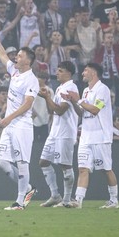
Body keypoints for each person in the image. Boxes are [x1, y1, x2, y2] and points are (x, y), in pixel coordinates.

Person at [0, 21, 39, 211]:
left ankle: (20, 202)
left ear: (28, 61)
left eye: (20, 55)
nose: (16, 57)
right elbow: (0, 53)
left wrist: (9, 117)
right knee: (2, 162)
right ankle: (28, 189)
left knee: (22, 163)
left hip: (21, 126)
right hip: (9, 126)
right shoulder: (15, 71)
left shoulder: (32, 79)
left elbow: (28, 104)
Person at [63, 62, 119, 209]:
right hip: (86, 136)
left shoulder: (103, 90)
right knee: (82, 168)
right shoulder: (86, 91)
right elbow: (83, 113)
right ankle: (78, 201)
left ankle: (114, 200)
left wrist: (78, 100)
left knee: (105, 169)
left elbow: (95, 110)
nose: (82, 73)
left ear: (93, 73)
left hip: (101, 136)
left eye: (85, 71)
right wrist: (73, 102)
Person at [38, 61, 79, 207]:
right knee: (43, 162)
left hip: (66, 132)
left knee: (65, 166)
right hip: (55, 132)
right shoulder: (60, 88)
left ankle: (67, 200)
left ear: (68, 72)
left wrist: (47, 98)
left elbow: (61, 110)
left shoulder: (70, 88)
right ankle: (55, 195)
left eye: (60, 70)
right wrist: (47, 97)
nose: (57, 73)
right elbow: (53, 110)